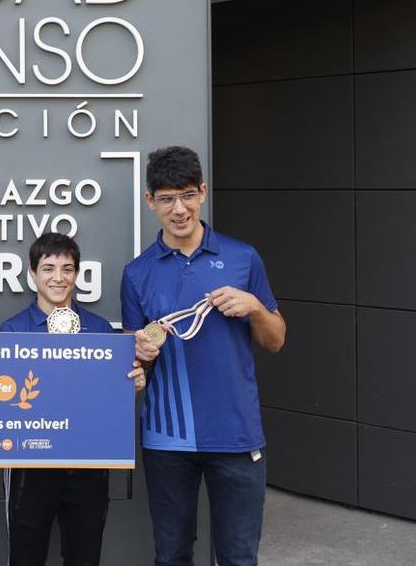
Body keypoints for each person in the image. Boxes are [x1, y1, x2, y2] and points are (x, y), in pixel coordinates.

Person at [122, 146, 286, 566]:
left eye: (188, 195)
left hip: (236, 434)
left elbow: (276, 339)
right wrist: (140, 354)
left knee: (237, 558)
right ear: (149, 201)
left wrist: (253, 306)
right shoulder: (137, 273)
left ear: (203, 193)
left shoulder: (242, 257)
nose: (179, 209)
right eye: (166, 198)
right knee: (172, 555)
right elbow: (134, 366)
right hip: (167, 438)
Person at [0, 232, 144, 566]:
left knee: (85, 556)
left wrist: (130, 385)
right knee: (25, 555)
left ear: (77, 275)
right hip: (30, 466)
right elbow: (5, 400)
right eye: (48, 268)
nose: (58, 277)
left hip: (88, 465)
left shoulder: (100, 330)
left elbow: (109, 398)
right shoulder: (13, 331)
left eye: (67, 268)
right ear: (32, 275)